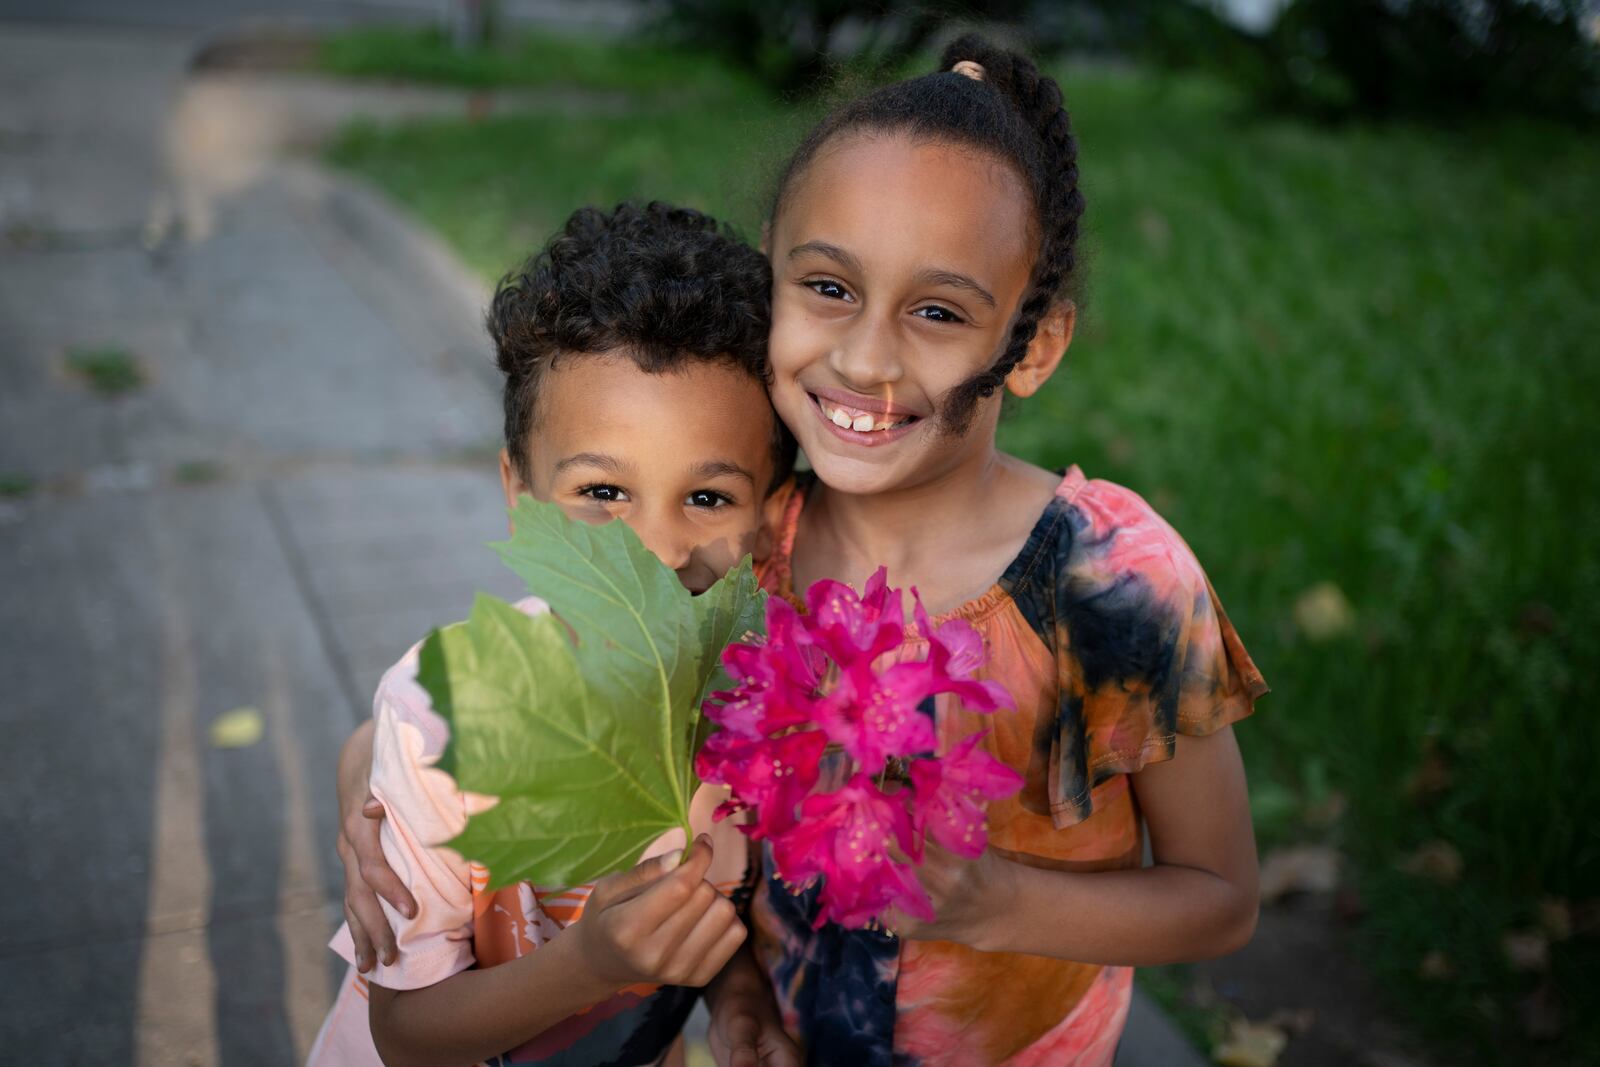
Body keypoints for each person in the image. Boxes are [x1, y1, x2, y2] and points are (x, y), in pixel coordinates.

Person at [344, 35, 1269, 1066]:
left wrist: (995, 897)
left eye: (937, 310)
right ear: (773, 277)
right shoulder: (743, 534)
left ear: (1034, 343)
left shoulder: (1114, 585)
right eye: (827, 287)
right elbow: (557, 695)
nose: (866, 357)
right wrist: (369, 786)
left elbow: (1221, 899)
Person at [308, 202, 801, 1067]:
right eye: (604, 492)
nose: (653, 550)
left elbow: (714, 906)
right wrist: (588, 964)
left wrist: (738, 996)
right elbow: (405, 1033)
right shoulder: (444, 723)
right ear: (521, 493)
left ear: (769, 519)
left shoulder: (758, 719)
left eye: (709, 496)